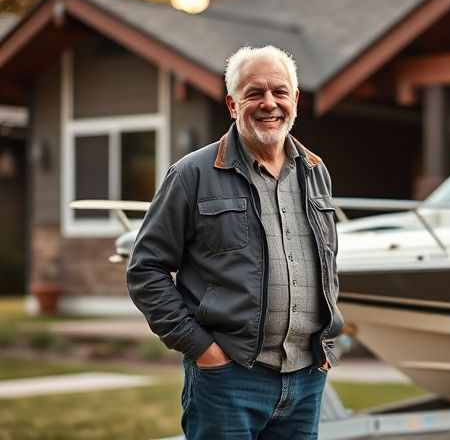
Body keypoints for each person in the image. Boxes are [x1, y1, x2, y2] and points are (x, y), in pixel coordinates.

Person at [127, 45, 343, 440]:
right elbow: (146, 269)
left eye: (280, 92)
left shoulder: (315, 171)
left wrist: (324, 345)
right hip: (228, 381)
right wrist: (204, 351)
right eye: (254, 93)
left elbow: (326, 265)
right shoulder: (191, 174)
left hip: (306, 380)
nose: (269, 103)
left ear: (295, 100)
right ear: (232, 104)